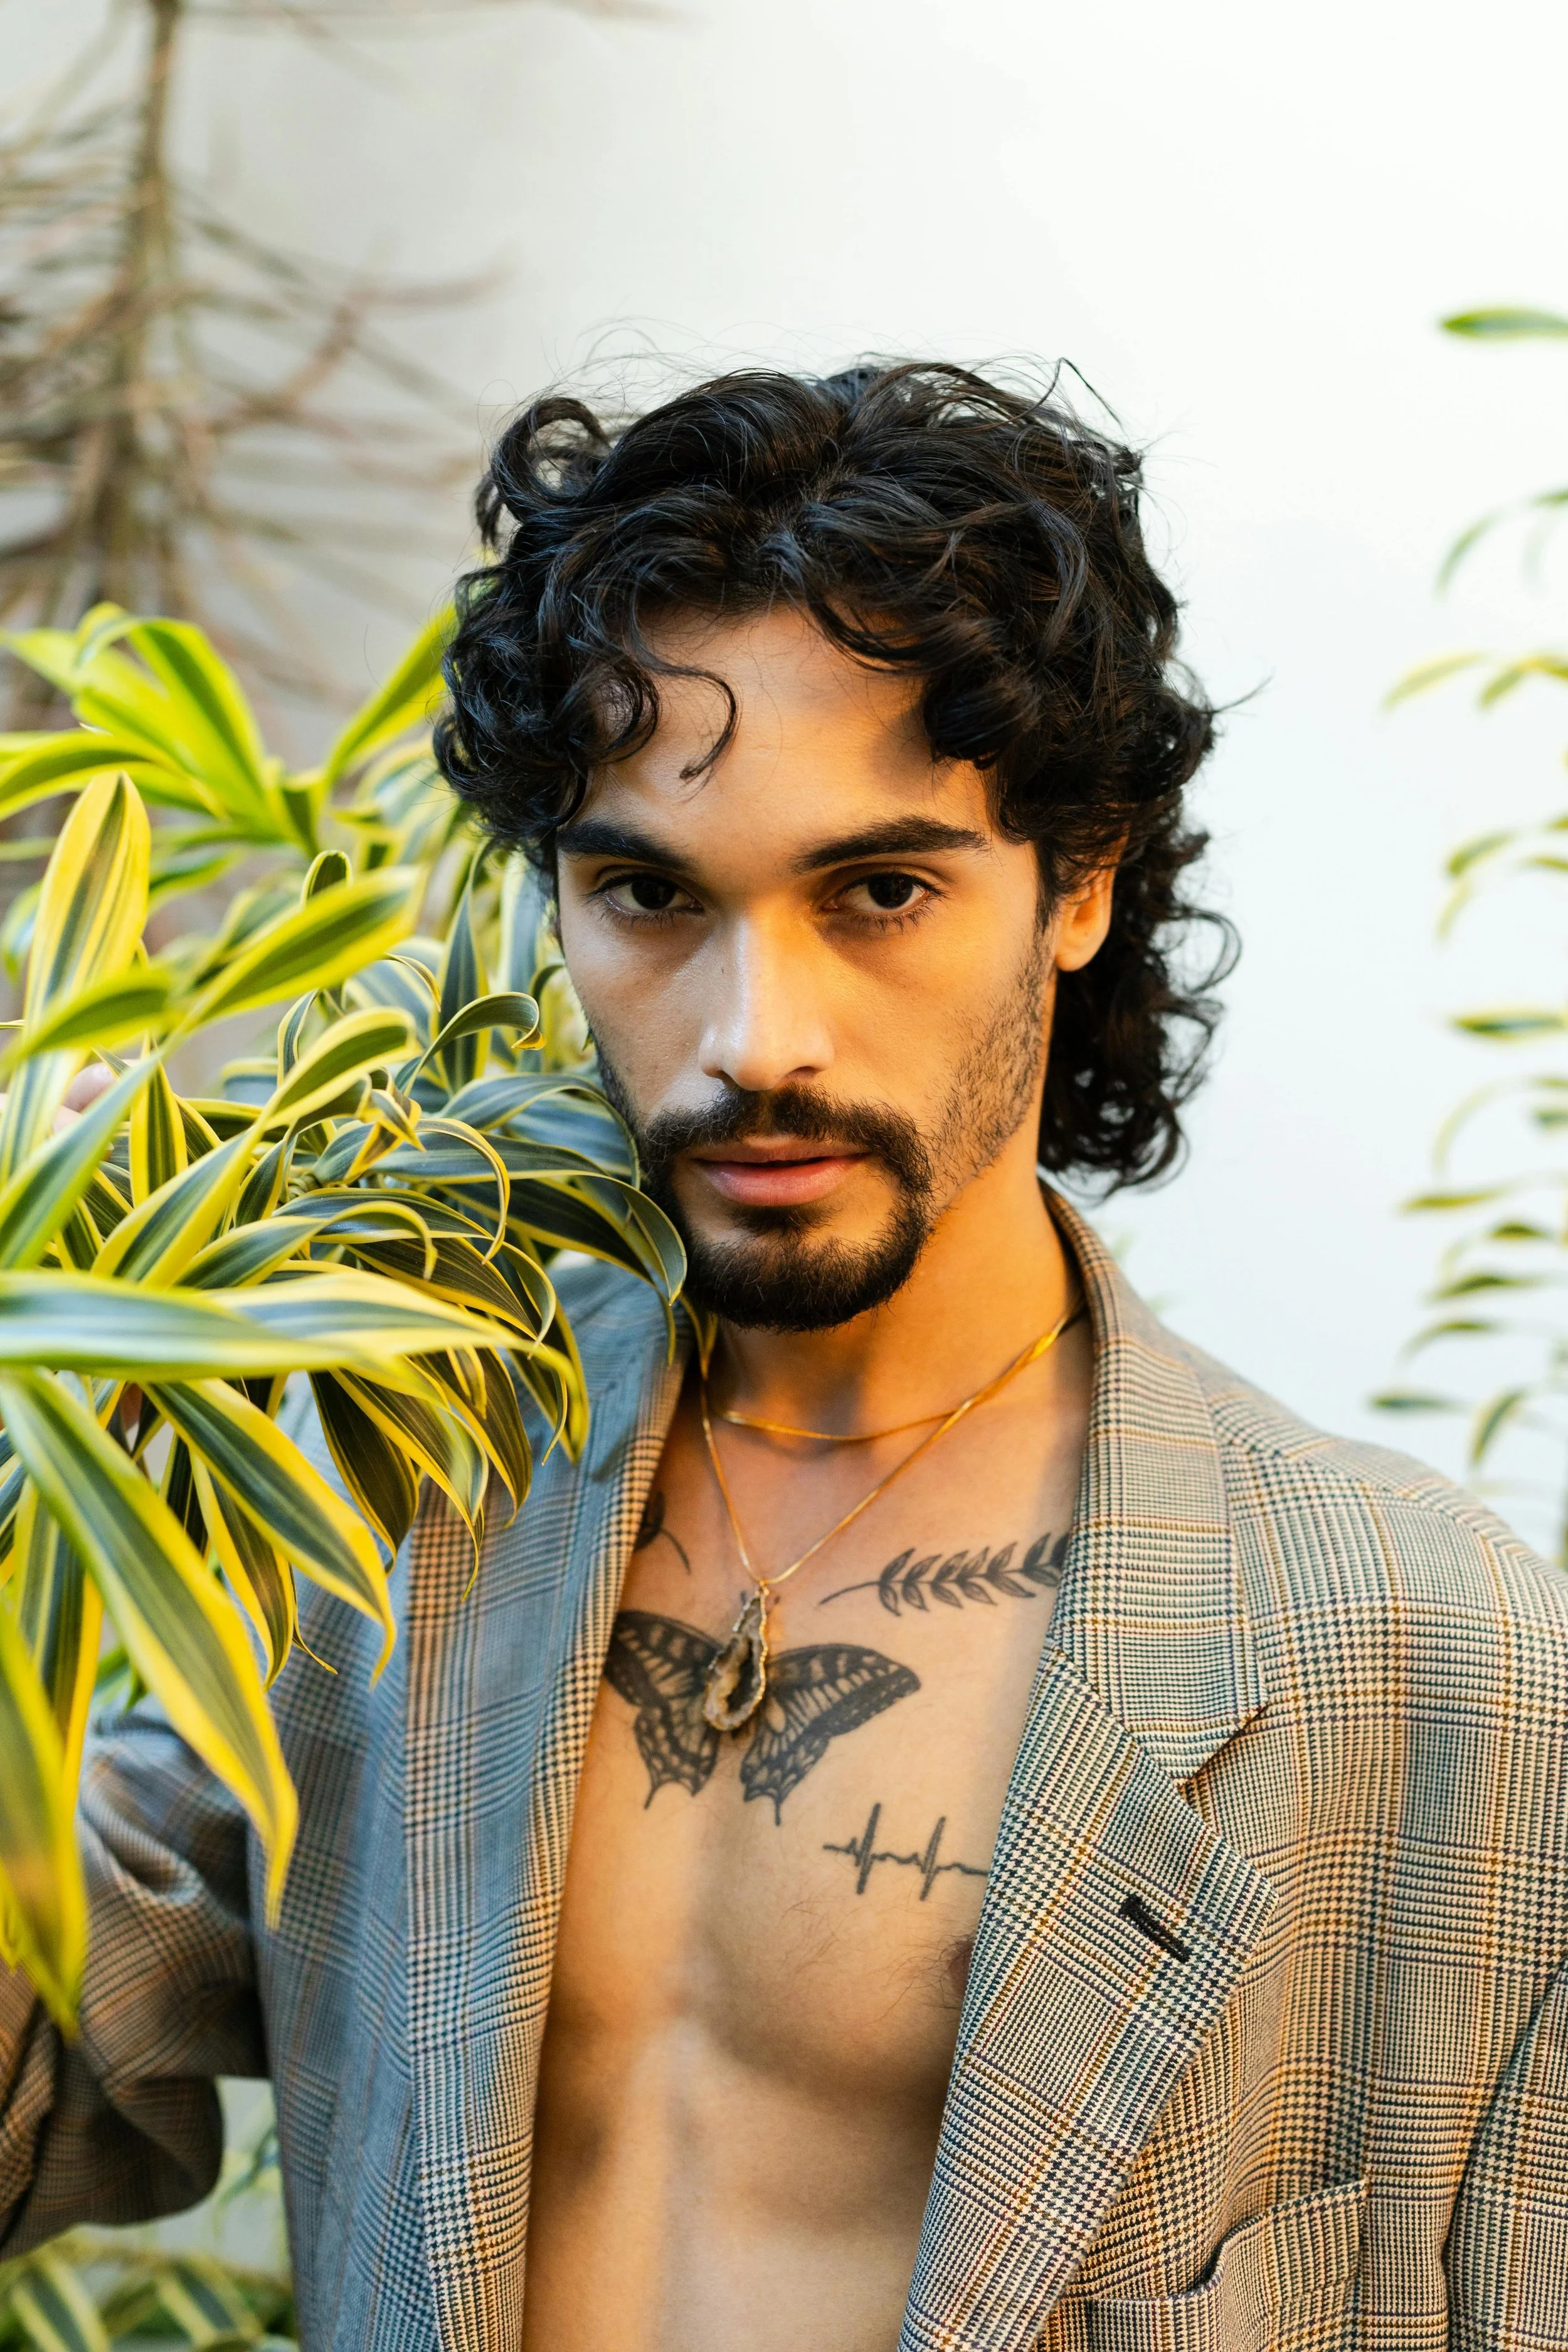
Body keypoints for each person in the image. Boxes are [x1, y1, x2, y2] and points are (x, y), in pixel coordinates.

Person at [1, 365, 1564, 2352]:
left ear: (1076, 884)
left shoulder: (1443, 1666)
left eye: (879, 888)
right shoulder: (396, 1473)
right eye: (650, 892)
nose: (756, 1036)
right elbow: (61, 2064)